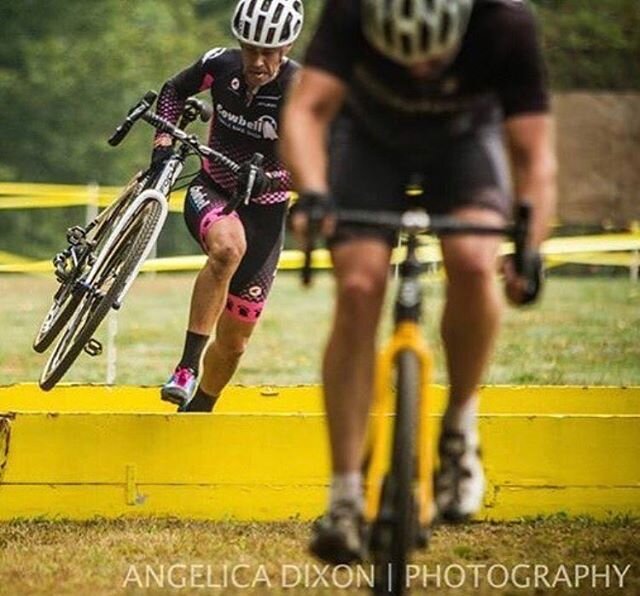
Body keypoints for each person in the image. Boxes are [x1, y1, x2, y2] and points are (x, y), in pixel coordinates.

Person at [282, 0, 556, 563]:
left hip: (463, 143)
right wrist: (311, 190)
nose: (419, 72)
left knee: (475, 261)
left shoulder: (506, 23)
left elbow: (534, 155)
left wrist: (529, 246)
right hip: (368, 142)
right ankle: (344, 497)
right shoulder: (351, 10)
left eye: (432, 58)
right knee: (358, 288)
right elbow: (306, 112)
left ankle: (458, 430)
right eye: (401, 57)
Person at [156, 0, 303, 412]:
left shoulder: (300, 89)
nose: (257, 61)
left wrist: (274, 178)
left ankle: (199, 412)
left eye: (268, 52)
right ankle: (186, 368)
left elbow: (316, 163)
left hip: (267, 214)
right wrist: (162, 144)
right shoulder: (219, 64)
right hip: (214, 190)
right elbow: (172, 90)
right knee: (227, 247)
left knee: (235, 343)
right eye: (250, 48)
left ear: (287, 46)